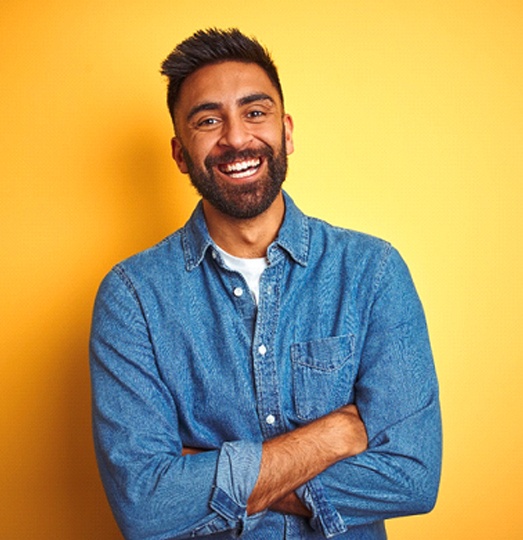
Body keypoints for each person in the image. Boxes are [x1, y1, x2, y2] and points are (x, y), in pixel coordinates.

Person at [90, 28, 442, 540]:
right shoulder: (133, 299)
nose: (236, 137)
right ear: (181, 154)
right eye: (208, 120)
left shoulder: (373, 272)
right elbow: (146, 508)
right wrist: (330, 437)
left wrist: (202, 475)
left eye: (255, 113)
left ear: (287, 132)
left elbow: (412, 478)